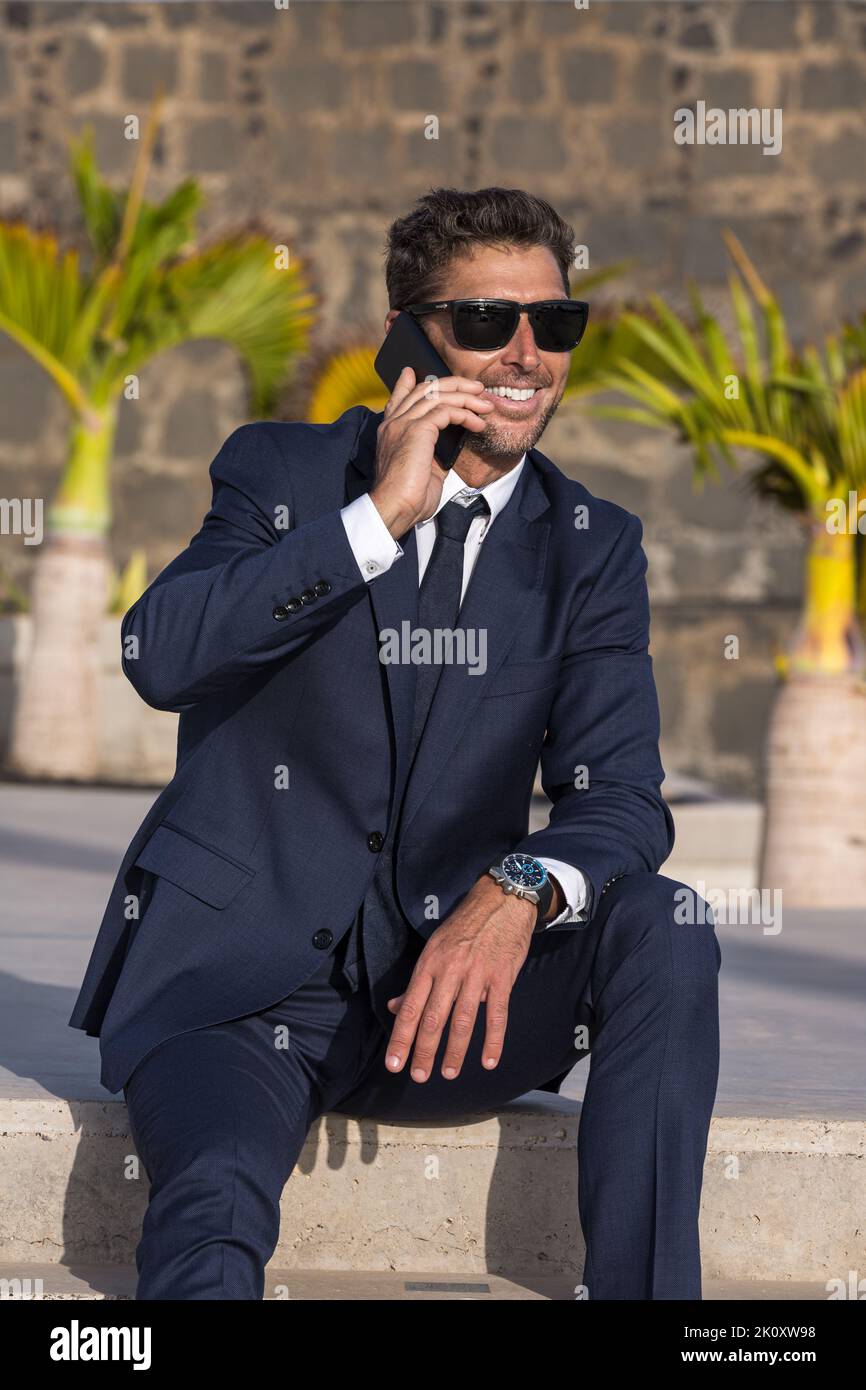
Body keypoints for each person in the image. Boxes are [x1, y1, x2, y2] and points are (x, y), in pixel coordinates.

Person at [69, 186, 721, 1301]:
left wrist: (516, 889)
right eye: (486, 322)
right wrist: (376, 518)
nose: (525, 355)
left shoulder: (590, 547)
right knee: (213, 1206)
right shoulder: (280, 475)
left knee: (666, 921)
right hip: (241, 995)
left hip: (451, 1008)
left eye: (553, 325)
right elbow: (158, 656)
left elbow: (621, 795)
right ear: (408, 336)